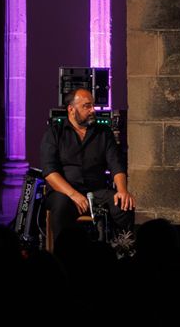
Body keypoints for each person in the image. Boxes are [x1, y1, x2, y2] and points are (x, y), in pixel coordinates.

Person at [40, 87, 135, 241]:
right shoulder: (54, 133)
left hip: (96, 191)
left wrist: (122, 190)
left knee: (123, 203)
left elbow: (116, 165)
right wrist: (74, 195)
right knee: (61, 204)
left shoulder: (104, 133)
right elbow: (50, 173)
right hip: (65, 192)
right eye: (87, 106)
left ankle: (124, 250)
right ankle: (63, 256)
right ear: (71, 109)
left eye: (93, 105)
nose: (93, 110)